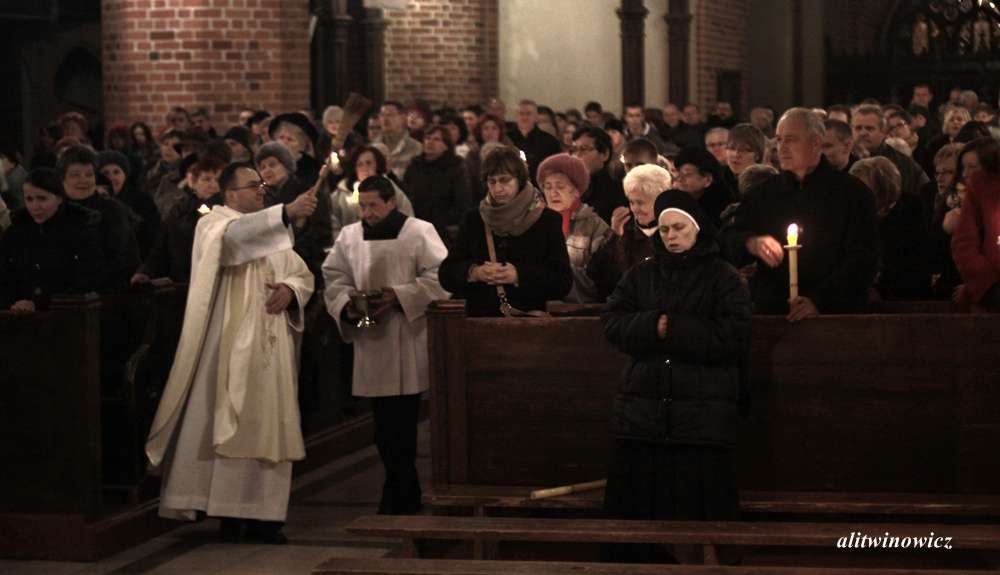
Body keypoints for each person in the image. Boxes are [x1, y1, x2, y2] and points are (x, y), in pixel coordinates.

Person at [145, 161, 318, 544]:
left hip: (269, 351)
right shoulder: (215, 225)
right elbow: (237, 241)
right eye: (252, 185)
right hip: (227, 346)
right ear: (230, 194)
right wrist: (287, 211)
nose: (261, 190)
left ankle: (265, 517)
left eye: (262, 185)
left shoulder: (272, 231)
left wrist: (291, 290)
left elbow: (301, 273)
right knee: (226, 421)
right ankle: (229, 513)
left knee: (268, 427)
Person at [601, 189, 751, 563]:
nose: (671, 236)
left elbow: (733, 334)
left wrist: (675, 329)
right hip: (644, 414)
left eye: (679, 228)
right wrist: (652, 325)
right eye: (665, 229)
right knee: (640, 522)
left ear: (698, 229)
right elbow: (612, 321)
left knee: (696, 517)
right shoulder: (642, 273)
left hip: (700, 418)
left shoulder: (723, 276)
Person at [322, 175, 449, 514]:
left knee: (404, 424)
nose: (367, 213)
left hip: (406, 335)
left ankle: (402, 491)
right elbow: (334, 277)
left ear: (391, 202)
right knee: (382, 426)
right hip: (372, 339)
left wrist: (400, 296)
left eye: (374, 206)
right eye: (362, 206)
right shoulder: (350, 236)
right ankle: (398, 488)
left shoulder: (418, 231)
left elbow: (440, 276)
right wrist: (348, 304)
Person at [721, 108, 878, 319]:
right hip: (776, 313)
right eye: (779, 140)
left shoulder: (853, 193)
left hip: (835, 316)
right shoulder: (763, 193)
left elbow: (863, 259)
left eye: (791, 139)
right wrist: (751, 242)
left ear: (815, 142)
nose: (782, 148)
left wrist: (820, 301)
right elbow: (729, 238)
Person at [439, 145, 572, 316]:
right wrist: (475, 272)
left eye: (505, 180)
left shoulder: (546, 220)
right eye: (492, 181)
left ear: (520, 180)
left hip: (528, 320)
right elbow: (446, 274)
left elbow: (563, 281)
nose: (497, 189)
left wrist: (519, 275)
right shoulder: (474, 219)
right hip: (479, 321)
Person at [0, 168, 103, 312]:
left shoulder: (79, 229)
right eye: (29, 199)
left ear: (59, 199)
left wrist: (40, 302)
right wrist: (14, 303)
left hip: (66, 313)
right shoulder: (17, 230)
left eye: (42, 199)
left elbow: (88, 278)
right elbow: (4, 274)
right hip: (17, 314)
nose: (35, 206)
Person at [132, 156, 226, 285]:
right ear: (193, 182)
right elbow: (161, 246)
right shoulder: (179, 209)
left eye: (219, 180)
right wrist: (145, 272)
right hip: (181, 282)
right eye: (207, 179)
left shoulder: (226, 210)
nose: (214, 185)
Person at [849, 157, 931, 300]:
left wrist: (881, 290)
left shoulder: (912, 210)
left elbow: (914, 261)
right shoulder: (856, 213)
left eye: (863, 189)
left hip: (904, 296)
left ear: (883, 187)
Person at [58, 145, 138, 291]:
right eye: (75, 175)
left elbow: (119, 259)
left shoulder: (112, 210)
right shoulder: (54, 210)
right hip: (61, 293)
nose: (84, 180)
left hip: (108, 293)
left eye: (89, 175)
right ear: (62, 179)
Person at [587, 164, 671, 301]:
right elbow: (597, 273)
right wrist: (615, 236)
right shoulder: (623, 228)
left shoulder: (672, 231)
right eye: (631, 202)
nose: (635, 209)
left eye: (641, 203)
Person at [537, 153, 610, 303]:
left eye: (560, 186)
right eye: (548, 187)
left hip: (579, 306)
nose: (553, 193)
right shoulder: (537, 222)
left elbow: (599, 277)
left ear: (576, 190)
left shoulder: (595, 225)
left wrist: (556, 274)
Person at [255, 141, 332, 284]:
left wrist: (294, 250)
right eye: (262, 167)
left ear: (286, 166)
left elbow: (322, 231)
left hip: (304, 266)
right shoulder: (261, 200)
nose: (267, 170)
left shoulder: (308, 192)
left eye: (272, 164)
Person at [328, 145, 414, 244]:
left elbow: (407, 216)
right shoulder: (341, 194)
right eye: (360, 164)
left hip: (389, 243)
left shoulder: (391, 189)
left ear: (377, 165)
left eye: (369, 163)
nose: (365, 168)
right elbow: (334, 225)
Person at [952, 137, 1000, 311]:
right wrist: (987, 285)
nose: (965, 174)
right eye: (964, 168)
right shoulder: (980, 188)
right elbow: (965, 243)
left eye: (972, 167)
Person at [402, 125, 469, 248]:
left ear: (446, 146)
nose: (430, 142)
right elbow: (406, 195)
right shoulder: (415, 166)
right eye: (428, 138)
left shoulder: (455, 168)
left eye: (437, 139)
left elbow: (461, 203)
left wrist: (437, 224)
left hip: (443, 229)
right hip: (415, 225)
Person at [851, 104, 929, 198]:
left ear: (883, 131)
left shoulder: (904, 164)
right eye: (858, 128)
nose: (863, 133)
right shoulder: (842, 159)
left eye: (869, 128)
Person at [98, 150, 161, 260]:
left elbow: (153, 235)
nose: (111, 177)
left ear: (125, 175)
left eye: (116, 172)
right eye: (105, 173)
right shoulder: (93, 200)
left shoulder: (142, 200)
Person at [571, 126, 625, 225]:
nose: (577, 155)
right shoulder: (568, 188)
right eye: (574, 150)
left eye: (584, 149)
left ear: (605, 154)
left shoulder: (618, 192)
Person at [673, 146, 733, 227]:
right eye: (678, 173)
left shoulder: (724, 211)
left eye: (687, 174)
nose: (680, 179)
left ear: (707, 180)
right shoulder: (676, 203)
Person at [507, 99, 562, 184]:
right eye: (521, 114)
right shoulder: (506, 139)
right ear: (516, 116)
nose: (525, 117)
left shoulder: (550, 141)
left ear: (536, 117)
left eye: (528, 114)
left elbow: (555, 167)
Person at [268, 112, 322, 187]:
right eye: (281, 137)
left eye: (290, 139)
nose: (284, 143)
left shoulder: (310, 169)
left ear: (303, 146)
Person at [376, 101, 423, 180]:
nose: (385, 119)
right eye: (382, 115)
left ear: (403, 118)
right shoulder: (374, 147)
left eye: (390, 115)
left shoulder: (416, 148)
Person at [722, 124, 766, 197]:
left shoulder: (765, 183)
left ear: (757, 155)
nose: (736, 154)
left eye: (744, 150)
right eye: (732, 148)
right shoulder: (717, 181)